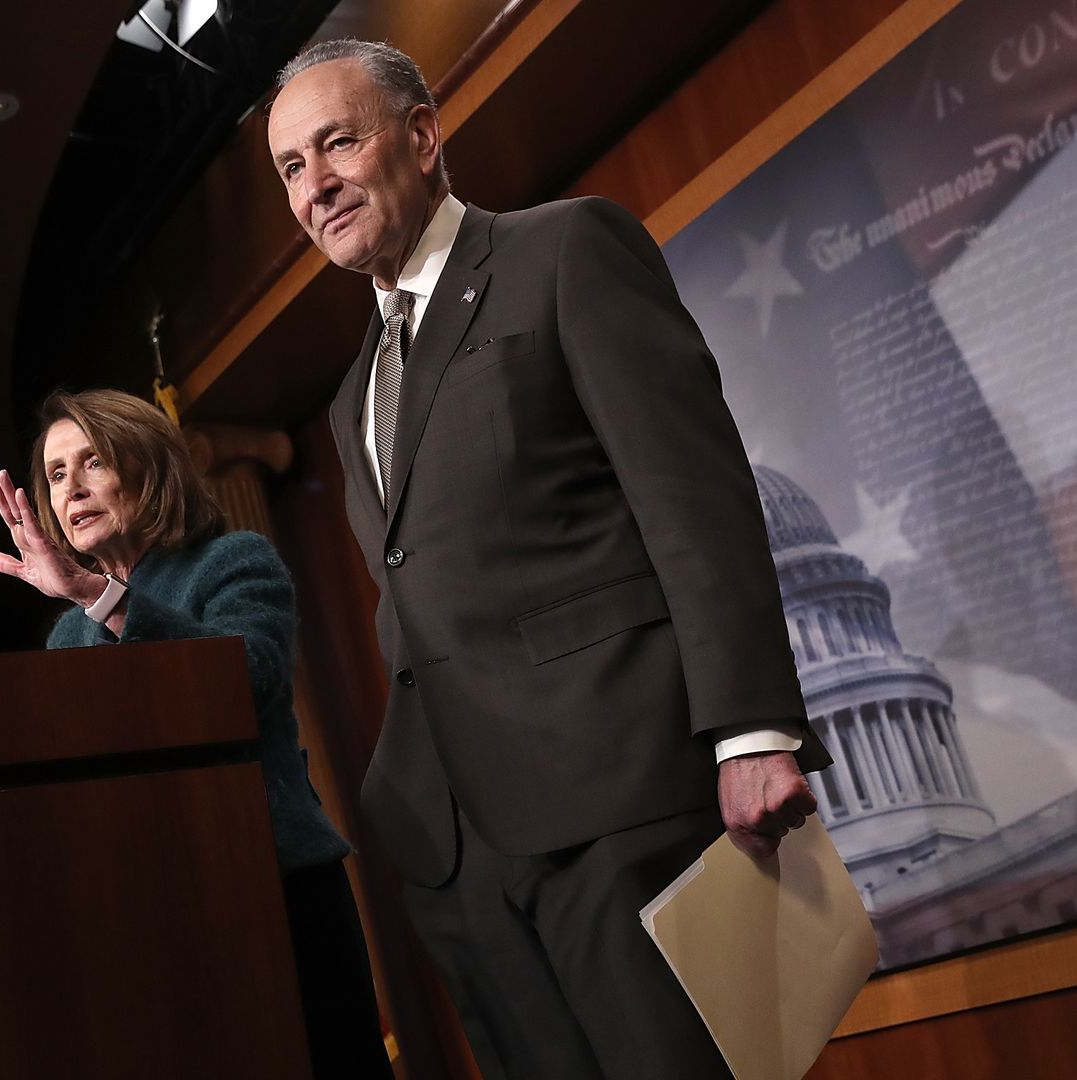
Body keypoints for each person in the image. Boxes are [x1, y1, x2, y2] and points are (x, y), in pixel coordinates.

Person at [264, 40, 833, 1080]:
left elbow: (694, 499)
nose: (317, 186)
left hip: (616, 793)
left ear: (422, 136)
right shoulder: (354, 398)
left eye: (338, 143)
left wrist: (752, 731)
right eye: (292, 168)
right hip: (459, 854)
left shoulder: (563, 252)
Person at [0, 388, 392, 1080]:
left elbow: (243, 679)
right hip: (149, 913)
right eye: (55, 474)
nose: (71, 488)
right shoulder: (68, 637)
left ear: (148, 469)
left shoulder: (231, 562)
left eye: (92, 462)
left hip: (273, 887)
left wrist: (97, 596)